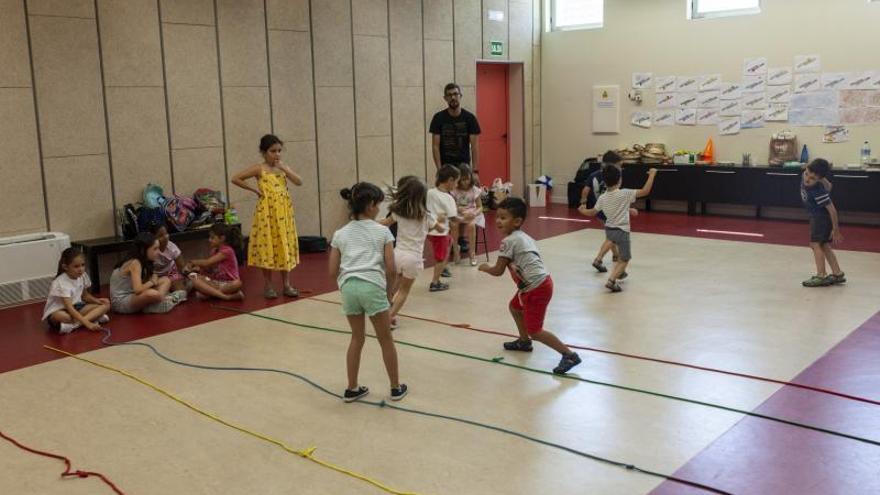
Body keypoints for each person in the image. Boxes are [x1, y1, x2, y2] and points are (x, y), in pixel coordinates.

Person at [478, 197, 582, 375]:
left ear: (517, 221)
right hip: (537, 284)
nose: (498, 221)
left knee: (536, 330)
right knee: (514, 307)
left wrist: (485, 268)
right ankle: (524, 342)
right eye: (497, 217)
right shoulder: (523, 237)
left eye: (503, 218)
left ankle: (569, 354)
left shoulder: (509, 242)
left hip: (536, 288)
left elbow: (498, 271)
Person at [330, 182, 407, 403]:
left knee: (357, 337)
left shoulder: (340, 233)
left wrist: (345, 284)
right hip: (372, 286)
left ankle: (352, 388)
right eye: (379, 205)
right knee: (385, 339)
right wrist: (388, 293)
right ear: (371, 205)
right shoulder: (382, 231)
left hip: (349, 287)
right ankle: (395, 387)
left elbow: (331, 270)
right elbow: (391, 269)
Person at [232, 134, 302, 299]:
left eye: (279, 151)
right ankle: (268, 286)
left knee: (283, 245)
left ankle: (286, 284)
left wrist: (286, 169)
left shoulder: (283, 167)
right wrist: (254, 190)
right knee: (268, 246)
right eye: (272, 151)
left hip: (284, 212)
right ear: (264, 152)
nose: (277, 154)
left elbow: (299, 182)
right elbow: (235, 178)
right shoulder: (259, 168)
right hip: (267, 212)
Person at [578, 166, 657, 292]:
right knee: (625, 259)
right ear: (619, 180)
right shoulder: (624, 193)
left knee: (619, 253)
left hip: (610, 229)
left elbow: (593, 212)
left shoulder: (603, 197)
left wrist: (583, 211)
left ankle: (619, 273)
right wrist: (652, 175)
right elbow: (645, 191)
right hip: (622, 231)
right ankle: (611, 280)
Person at [380, 176, 445, 329]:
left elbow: (384, 223)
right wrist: (440, 221)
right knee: (404, 291)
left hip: (397, 255)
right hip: (413, 258)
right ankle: (390, 317)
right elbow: (439, 229)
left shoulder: (399, 213)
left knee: (393, 285)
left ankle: (385, 308)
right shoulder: (426, 216)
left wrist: (367, 222)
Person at [579, 151, 631, 273]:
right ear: (611, 165)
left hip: (600, 209)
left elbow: (586, 189)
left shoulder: (594, 175)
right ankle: (599, 258)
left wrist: (583, 202)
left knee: (611, 235)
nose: (621, 168)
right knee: (613, 236)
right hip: (612, 208)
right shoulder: (615, 175)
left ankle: (615, 254)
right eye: (619, 165)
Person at [110, 232, 185, 314]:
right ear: (143, 250)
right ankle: (167, 299)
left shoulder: (144, 260)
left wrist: (152, 279)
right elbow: (138, 290)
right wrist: (152, 282)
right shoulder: (135, 262)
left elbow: (143, 283)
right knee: (152, 294)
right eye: (155, 249)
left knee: (166, 280)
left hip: (133, 296)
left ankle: (157, 304)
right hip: (121, 302)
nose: (158, 252)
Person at [43, 247, 110, 333]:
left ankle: (75, 325)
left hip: (77, 307)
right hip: (60, 310)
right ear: (65, 267)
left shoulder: (82, 276)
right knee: (63, 317)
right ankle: (92, 318)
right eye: (76, 266)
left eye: (83, 265)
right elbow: (69, 308)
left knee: (106, 305)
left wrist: (97, 301)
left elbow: (85, 296)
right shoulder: (61, 282)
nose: (81, 269)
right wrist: (88, 324)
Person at [800, 159, 845, 287]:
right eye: (807, 173)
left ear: (819, 179)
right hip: (816, 217)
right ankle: (837, 273)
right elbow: (829, 186)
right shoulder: (807, 173)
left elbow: (833, 210)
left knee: (815, 244)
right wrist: (821, 177)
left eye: (813, 178)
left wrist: (835, 230)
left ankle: (821, 275)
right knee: (824, 245)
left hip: (821, 218)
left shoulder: (818, 191)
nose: (807, 179)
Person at [429, 83, 481, 174]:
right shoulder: (438, 118)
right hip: (446, 168)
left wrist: (475, 171)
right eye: (449, 95)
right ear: (445, 98)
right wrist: (439, 169)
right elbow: (435, 146)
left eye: (455, 94)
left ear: (460, 96)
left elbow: (474, 147)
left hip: (464, 168)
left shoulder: (470, 118)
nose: (453, 97)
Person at [186, 224, 245, 301]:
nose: (209, 240)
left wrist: (193, 262)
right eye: (209, 237)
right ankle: (222, 295)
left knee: (237, 283)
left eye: (212, 238)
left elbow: (207, 262)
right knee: (193, 276)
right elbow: (209, 269)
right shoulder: (214, 251)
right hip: (216, 283)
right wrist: (198, 270)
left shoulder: (227, 251)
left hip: (228, 284)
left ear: (222, 238)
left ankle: (214, 294)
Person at [427, 165, 461, 291]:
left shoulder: (430, 192)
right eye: (456, 181)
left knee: (450, 242)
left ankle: (444, 268)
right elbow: (453, 218)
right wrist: (466, 218)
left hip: (430, 230)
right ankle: (435, 282)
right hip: (440, 232)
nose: (456, 185)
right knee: (440, 257)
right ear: (450, 180)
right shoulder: (448, 198)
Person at [451, 165, 484, 266]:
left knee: (471, 226)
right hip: (459, 213)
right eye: (463, 180)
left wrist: (474, 213)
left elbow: (480, 207)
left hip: (472, 213)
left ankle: (472, 253)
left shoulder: (474, 190)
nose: (466, 182)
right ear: (459, 180)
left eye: (468, 179)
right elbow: (452, 205)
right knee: (453, 225)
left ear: (471, 178)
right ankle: (456, 251)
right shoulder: (455, 190)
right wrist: (458, 209)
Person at [148, 223, 190, 293]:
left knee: (181, 292)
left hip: (171, 273)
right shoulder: (150, 250)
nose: (166, 237)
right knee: (156, 293)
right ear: (153, 238)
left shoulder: (172, 247)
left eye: (166, 233)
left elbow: (182, 267)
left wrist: (189, 273)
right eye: (161, 235)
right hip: (155, 277)